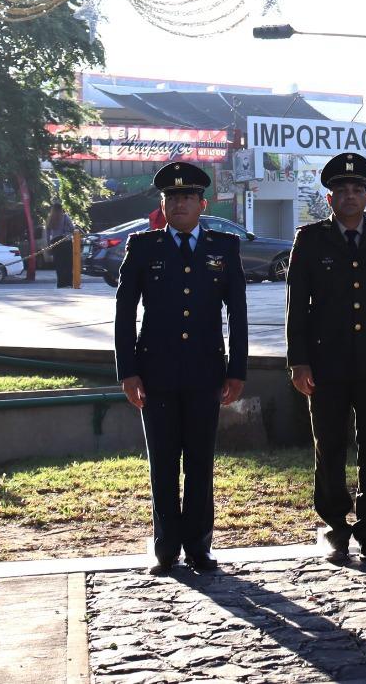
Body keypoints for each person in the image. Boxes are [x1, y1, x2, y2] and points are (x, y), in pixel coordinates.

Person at [114, 161, 247, 575]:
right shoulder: (143, 247)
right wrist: (127, 371)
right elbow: (124, 313)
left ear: (202, 204)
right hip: (156, 373)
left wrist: (237, 370)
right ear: (163, 205)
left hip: (206, 372)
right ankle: (166, 546)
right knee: (163, 462)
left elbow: (238, 313)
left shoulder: (223, 247)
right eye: (171, 197)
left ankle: (199, 546)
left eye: (187, 196)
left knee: (200, 462)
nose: (179, 203)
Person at [285, 152, 366, 563]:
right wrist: (298, 361)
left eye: (357, 189)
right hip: (327, 363)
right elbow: (297, 306)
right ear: (330, 199)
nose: (350, 196)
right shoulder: (311, 240)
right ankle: (335, 527)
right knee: (329, 446)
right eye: (341, 190)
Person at [48, 204, 75, 288]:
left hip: (55, 242)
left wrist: (49, 245)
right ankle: (69, 283)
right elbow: (72, 228)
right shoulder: (65, 217)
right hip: (66, 241)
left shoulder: (50, 219)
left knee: (59, 264)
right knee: (68, 263)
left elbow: (48, 233)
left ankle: (60, 283)